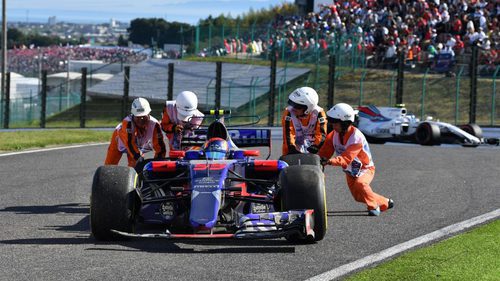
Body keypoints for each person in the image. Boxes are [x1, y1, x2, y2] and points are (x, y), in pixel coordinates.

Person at [318, 103, 394, 216]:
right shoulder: (333, 135)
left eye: (335, 122)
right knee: (358, 197)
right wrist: (318, 160)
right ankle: (385, 202)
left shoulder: (356, 138)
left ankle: (373, 206)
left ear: (345, 123)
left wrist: (329, 161)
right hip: (350, 171)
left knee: (361, 184)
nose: (332, 125)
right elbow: (324, 152)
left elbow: (346, 158)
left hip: (365, 169)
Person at [104, 97, 166, 170]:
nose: (141, 120)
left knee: (135, 167)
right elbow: (130, 144)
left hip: (137, 145)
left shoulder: (155, 125)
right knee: (109, 165)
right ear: (133, 115)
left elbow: (160, 147)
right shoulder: (127, 123)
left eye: (143, 117)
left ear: (149, 114)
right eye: (138, 117)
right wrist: (138, 156)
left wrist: (158, 164)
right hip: (121, 141)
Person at [281, 86, 327, 156]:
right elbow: (288, 133)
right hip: (293, 147)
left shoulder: (319, 113)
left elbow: (321, 134)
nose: (293, 108)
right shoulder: (288, 112)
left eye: (297, 106)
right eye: (292, 104)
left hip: (313, 148)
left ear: (307, 108)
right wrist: (291, 148)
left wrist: (315, 147)